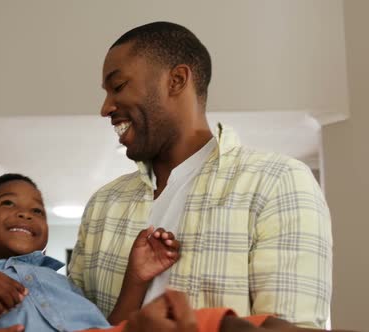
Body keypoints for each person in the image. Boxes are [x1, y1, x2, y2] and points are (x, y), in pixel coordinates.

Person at [69, 21, 332, 328]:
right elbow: (70, 323)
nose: (105, 107)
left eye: (118, 86)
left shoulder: (278, 182)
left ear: (177, 80)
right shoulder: (102, 205)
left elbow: (291, 325)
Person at [0, 173, 338, 332]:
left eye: (37, 208)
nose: (25, 211)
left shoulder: (58, 281)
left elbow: (111, 324)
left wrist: (137, 277)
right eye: (8, 203)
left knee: (235, 324)